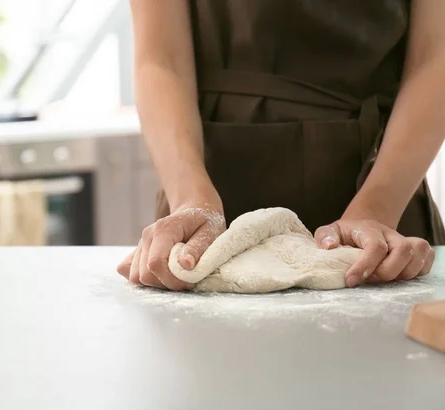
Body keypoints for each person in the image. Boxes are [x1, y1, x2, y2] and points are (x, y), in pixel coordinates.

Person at [117, 0, 445, 291]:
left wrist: (377, 210)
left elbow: (435, 58)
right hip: (204, 181)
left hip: (383, 189)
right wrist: (191, 198)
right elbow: (162, 60)